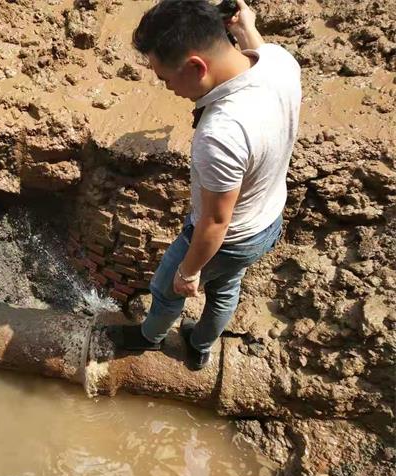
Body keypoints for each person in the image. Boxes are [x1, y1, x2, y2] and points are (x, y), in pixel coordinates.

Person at [109, 0, 301, 370]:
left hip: (228, 235)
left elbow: (215, 222)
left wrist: (189, 270)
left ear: (197, 66)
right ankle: (200, 346)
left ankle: (149, 339)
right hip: (266, 220)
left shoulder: (221, 133)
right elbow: (259, 49)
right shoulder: (280, 63)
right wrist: (246, 28)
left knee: (166, 290)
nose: (166, 88)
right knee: (226, 288)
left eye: (165, 78)